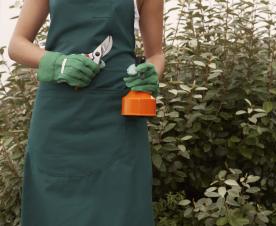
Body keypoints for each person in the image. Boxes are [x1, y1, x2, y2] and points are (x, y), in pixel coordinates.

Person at [8, 0, 165, 224]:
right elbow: (17, 45)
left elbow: (156, 54)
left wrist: (151, 73)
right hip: (58, 120)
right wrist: (57, 63)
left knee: (121, 212)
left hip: (118, 117)